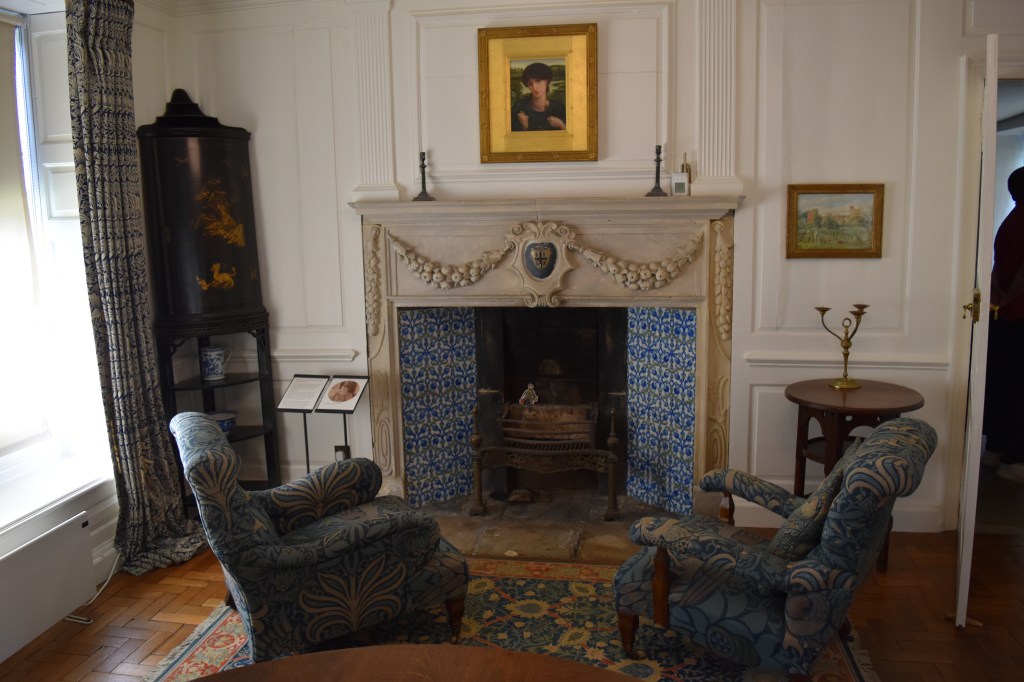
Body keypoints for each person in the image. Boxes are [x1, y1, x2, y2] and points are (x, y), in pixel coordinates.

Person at [984, 166, 1024, 482]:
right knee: (1017, 389)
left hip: (1003, 316)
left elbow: (997, 267)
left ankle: (996, 450)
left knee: (1002, 385)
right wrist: (1010, 300)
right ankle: (1013, 458)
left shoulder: (1009, 221)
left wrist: (1000, 300)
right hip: (1018, 315)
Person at [511, 62, 566, 132]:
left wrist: (561, 125)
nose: (534, 88)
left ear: (546, 81)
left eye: (538, 81)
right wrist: (524, 127)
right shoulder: (519, 108)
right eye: (530, 84)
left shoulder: (559, 109)